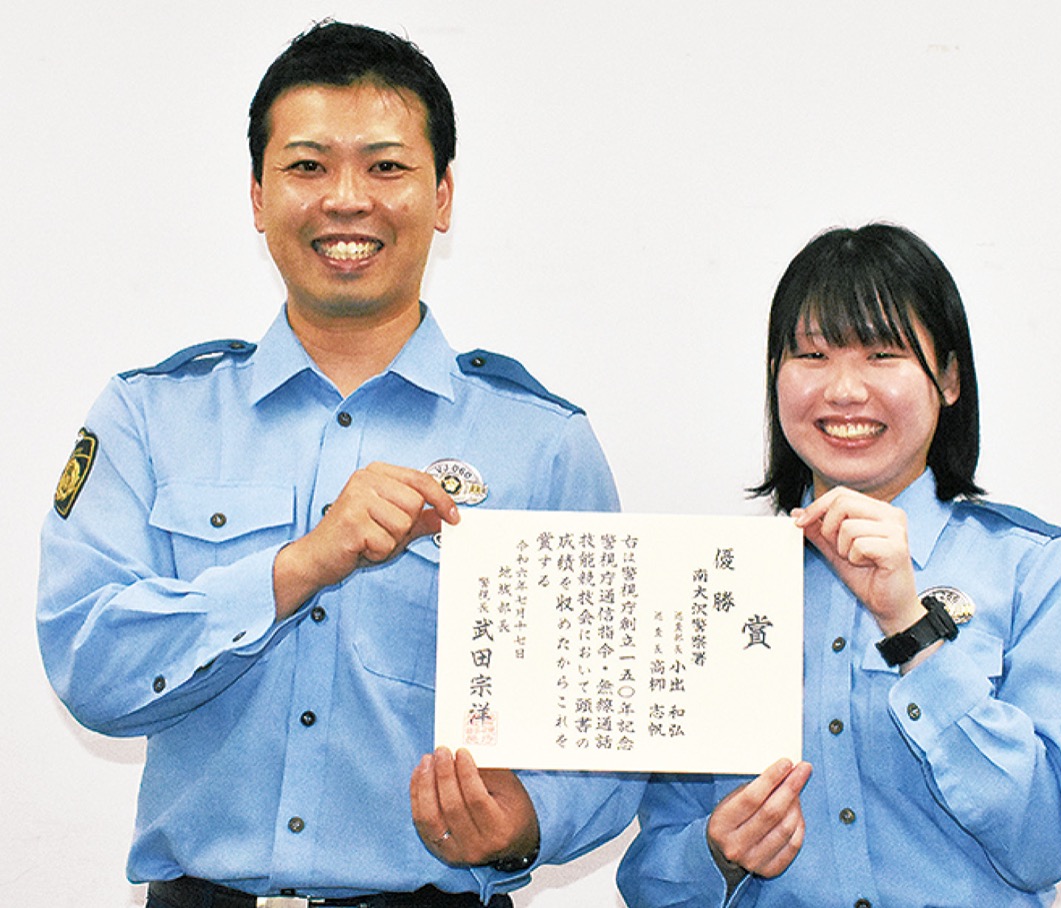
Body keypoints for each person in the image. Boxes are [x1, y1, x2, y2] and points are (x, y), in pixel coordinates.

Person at [38, 21, 641, 908]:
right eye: (309, 166)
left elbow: (610, 729)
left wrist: (525, 824)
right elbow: (89, 664)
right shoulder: (151, 415)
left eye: (386, 167)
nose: (347, 200)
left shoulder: (542, 442)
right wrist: (299, 566)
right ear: (258, 195)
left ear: (442, 195)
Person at [616, 223, 1061, 907]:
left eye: (882, 354)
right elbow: (651, 877)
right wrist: (716, 854)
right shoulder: (717, 584)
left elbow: (1048, 841)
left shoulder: (1041, 572)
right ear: (775, 374)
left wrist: (912, 629)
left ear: (949, 378)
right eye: (812, 355)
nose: (843, 389)